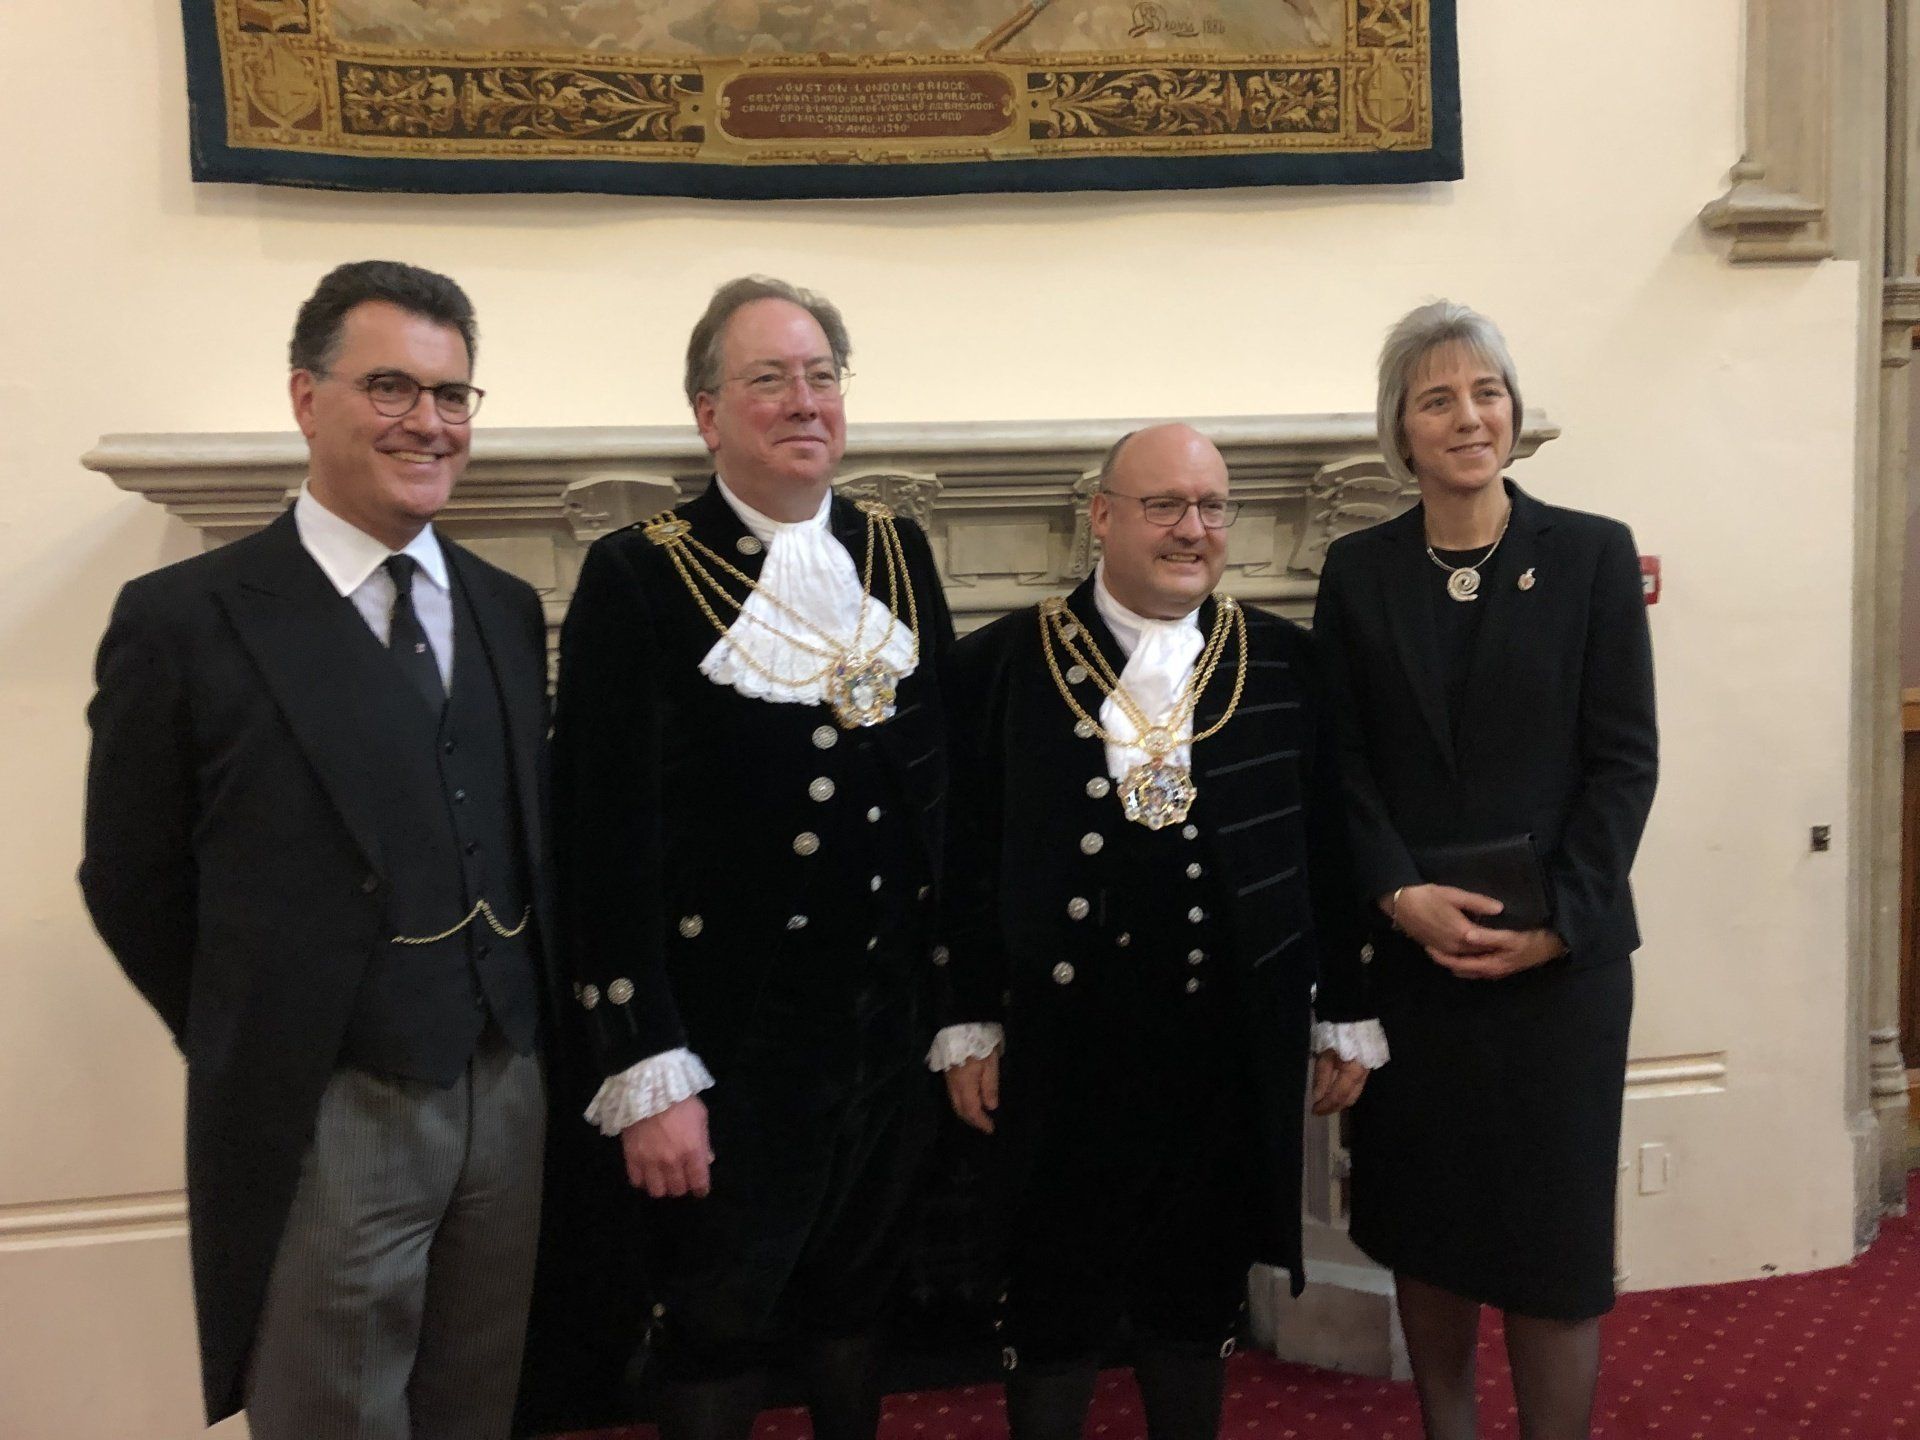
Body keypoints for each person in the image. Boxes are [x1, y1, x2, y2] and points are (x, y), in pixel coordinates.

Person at [79, 260, 557, 1438]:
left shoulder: (504, 607)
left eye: (452, 395)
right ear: (306, 397)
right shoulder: (186, 618)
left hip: (505, 1088)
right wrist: (257, 1028)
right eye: (391, 387)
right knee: (331, 1411)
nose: (428, 422)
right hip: (325, 1102)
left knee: (478, 1404)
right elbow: (131, 878)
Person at [551, 275, 954, 1440]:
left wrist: (959, 1004)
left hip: (883, 1027)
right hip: (728, 1038)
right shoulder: (639, 571)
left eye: (822, 376)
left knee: (858, 1300)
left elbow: (942, 794)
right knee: (716, 1318)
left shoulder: (895, 549)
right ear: (707, 413)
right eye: (769, 378)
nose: (804, 401)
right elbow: (602, 838)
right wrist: (646, 1059)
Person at [933, 422, 1384, 1440]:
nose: (1193, 528)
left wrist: (1345, 1009)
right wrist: (967, 1017)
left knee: (1195, 1299)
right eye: (1165, 505)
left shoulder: (1286, 662)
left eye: (1212, 507)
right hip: (1060, 1050)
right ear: (1102, 517)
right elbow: (963, 857)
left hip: (1222, 1044)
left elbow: (1326, 843)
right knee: (1052, 1303)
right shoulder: (1001, 663)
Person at [1312, 301, 1658, 1440]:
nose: (1469, 417)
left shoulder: (1593, 554)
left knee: (1554, 1246)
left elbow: (1624, 763)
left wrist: (1560, 923)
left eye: (1487, 392)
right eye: (1438, 399)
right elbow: (1342, 764)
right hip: (1419, 969)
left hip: (1560, 976)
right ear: (1401, 432)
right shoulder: (1358, 571)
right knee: (1431, 1229)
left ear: (1512, 412)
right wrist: (1396, 895)